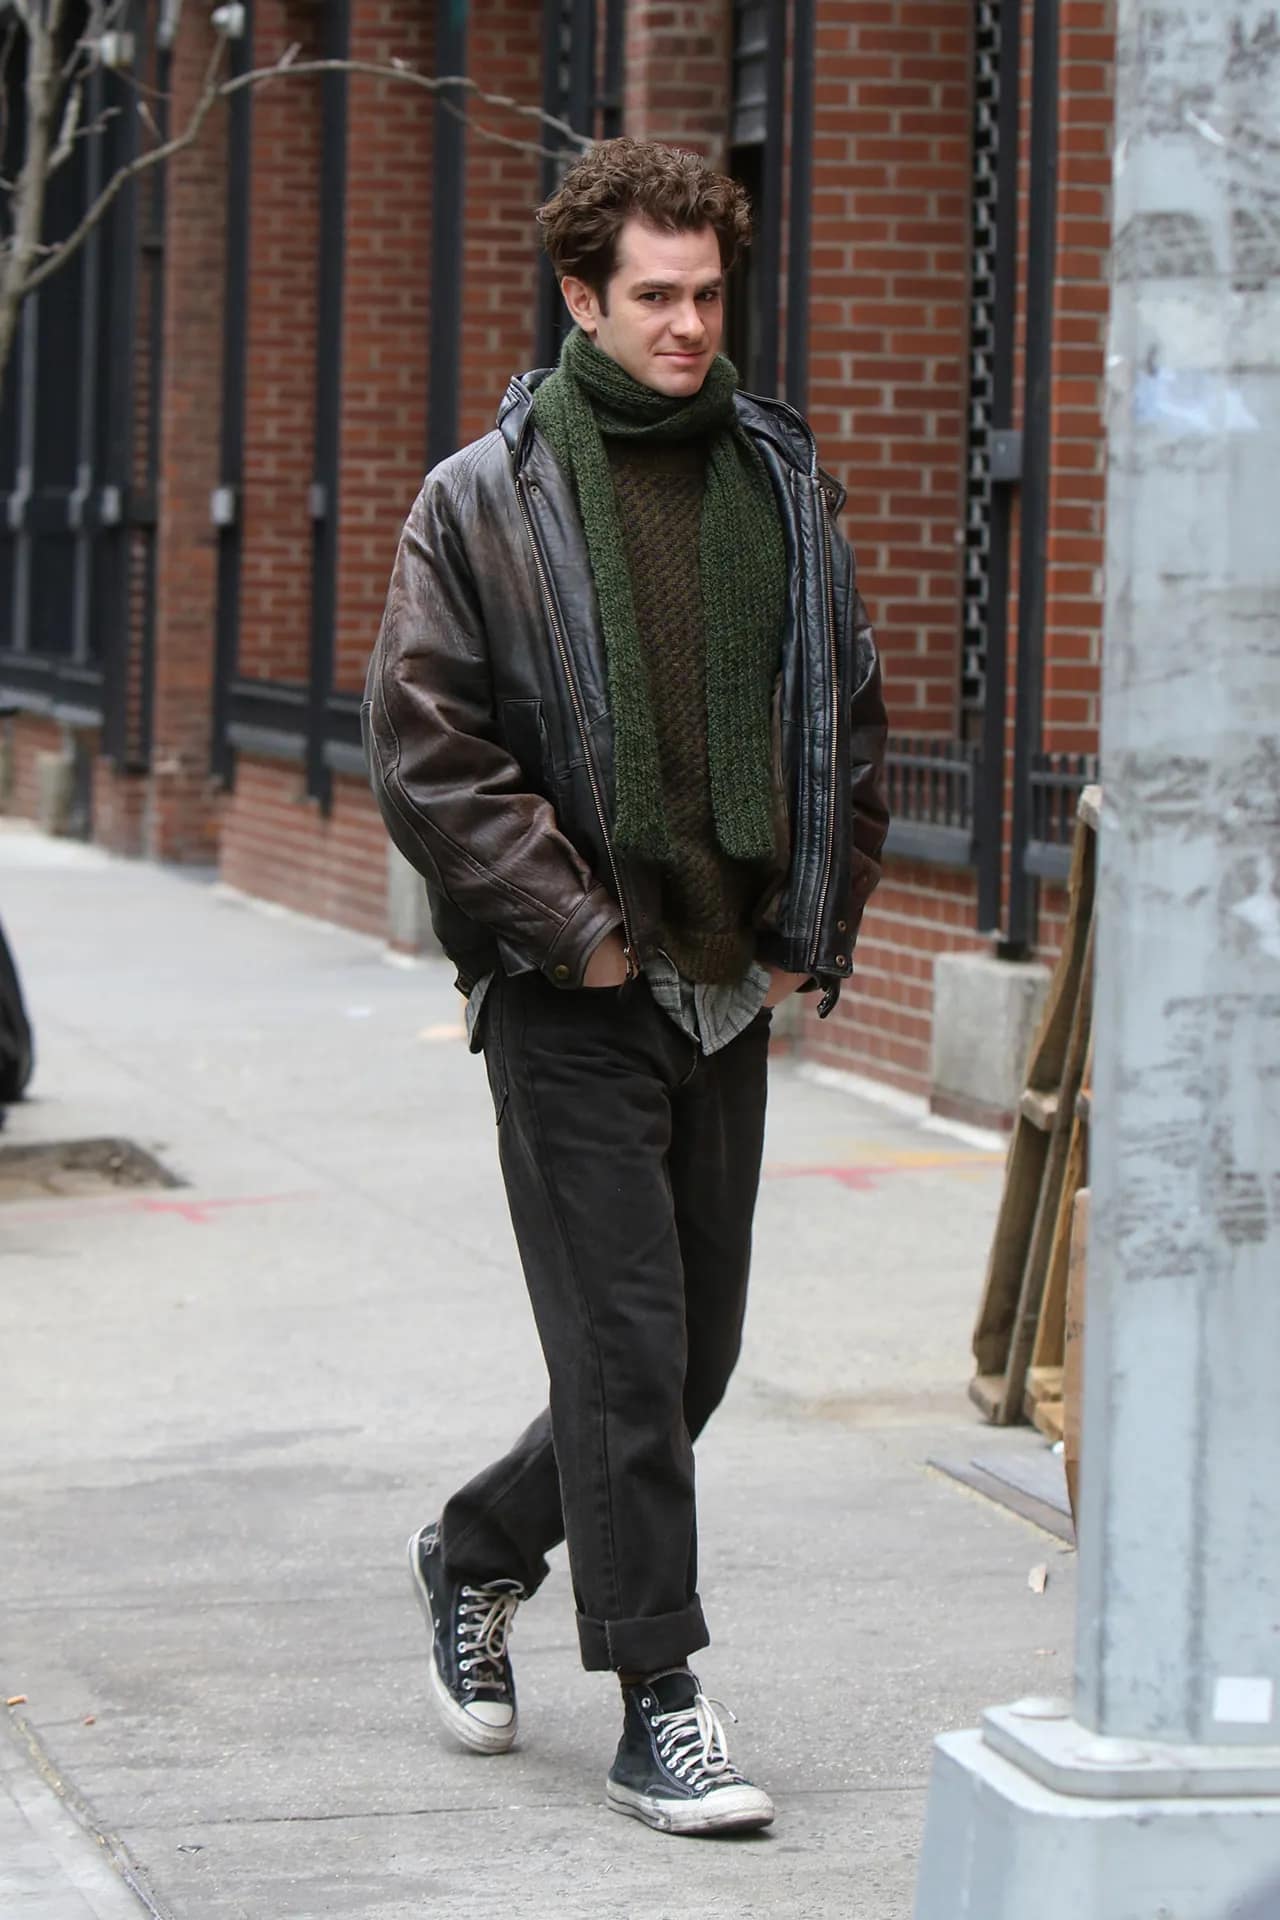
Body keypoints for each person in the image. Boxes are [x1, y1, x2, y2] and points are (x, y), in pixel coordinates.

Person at [364, 136, 889, 1837]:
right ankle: (660, 1699)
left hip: (725, 988)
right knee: (630, 1339)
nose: (685, 326)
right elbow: (427, 751)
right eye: (651, 297)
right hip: (569, 985)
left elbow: (848, 717)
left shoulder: (779, 484)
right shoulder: (483, 499)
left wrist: (819, 905)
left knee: (687, 1361)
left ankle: (479, 1546)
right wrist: (577, 931)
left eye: (707, 294)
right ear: (581, 299)